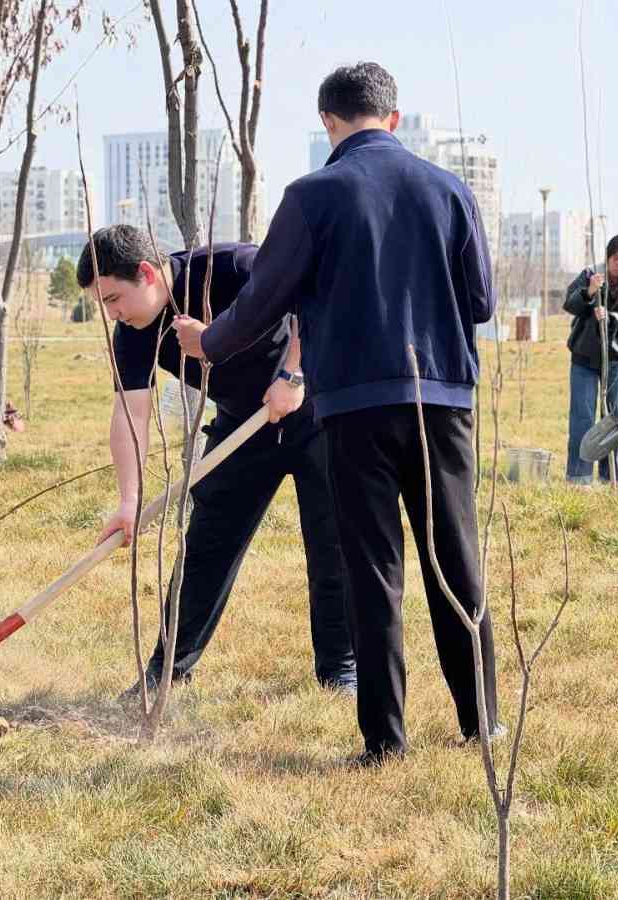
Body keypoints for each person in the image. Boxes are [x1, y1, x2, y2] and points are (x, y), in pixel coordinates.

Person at [174, 62, 499, 764]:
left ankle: (386, 740)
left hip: (354, 403)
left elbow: (262, 299)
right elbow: (481, 303)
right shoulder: (450, 190)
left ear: (327, 122)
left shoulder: (313, 195)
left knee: (372, 567)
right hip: (442, 398)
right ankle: (484, 722)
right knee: (456, 558)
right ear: (395, 117)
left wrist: (212, 343)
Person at [76, 224, 356, 696]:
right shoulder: (134, 331)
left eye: (112, 299)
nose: (112, 314)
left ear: (146, 273)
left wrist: (293, 372)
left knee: (331, 543)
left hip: (312, 408)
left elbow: (316, 298)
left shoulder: (232, 267)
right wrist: (129, 500)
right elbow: (131, 411)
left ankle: (340, 670)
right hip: (241, 426)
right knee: (207, 545)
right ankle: (168, 671)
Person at [562, 235, 618, 485]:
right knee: (582, 416)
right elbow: (570, 304)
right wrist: (589, 292)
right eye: (616, 258)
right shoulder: (590, 274)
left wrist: (608, 317)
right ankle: (578, 476)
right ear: (607, 255)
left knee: (612, 417)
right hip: (584, 357)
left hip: (615, 358)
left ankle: (610, 477)